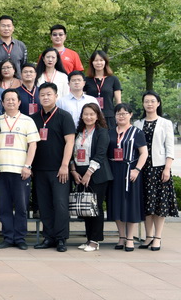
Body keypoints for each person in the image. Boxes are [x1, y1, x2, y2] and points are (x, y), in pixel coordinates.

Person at [31, 82, 76, 252]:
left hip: (59, 170)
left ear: (56, 96)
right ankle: (48, 237)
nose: (45, 97)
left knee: (60, 204)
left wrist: (65, 165)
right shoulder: (34, 118)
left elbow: (70, 142)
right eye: (42, 95)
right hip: (39, 169)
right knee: (44, 205)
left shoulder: (64, 116)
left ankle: (61, 238)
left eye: (49, 94)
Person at [134, 91, 178, 251]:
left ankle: (157, 237)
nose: (149, 104)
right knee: (146, 203)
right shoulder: (137, 123)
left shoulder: (165, 123)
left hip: (159, 168)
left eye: (153, 101)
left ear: (158, 103)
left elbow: (170, 148)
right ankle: (148, 236)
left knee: (159, 204)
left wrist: (167, 168)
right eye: (146, 101)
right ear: (143, 104)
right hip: (142, 168)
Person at [0, 89, 39, 250]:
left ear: (19, 102)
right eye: (7, 99)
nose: (10, 102)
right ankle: (8, 237)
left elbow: (33, 145)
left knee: (21, 206)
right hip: (1, 170)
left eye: (13, 99)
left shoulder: (28, 120)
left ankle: (20, 238)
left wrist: (27, 166)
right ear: (2, 103)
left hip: (21, 171)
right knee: (4, 206)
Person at [69, 103, 112, 252]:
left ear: (97, 116)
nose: (89, 117)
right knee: (86, 207)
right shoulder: (78, 132)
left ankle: (95, 241)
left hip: (97, 174)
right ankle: (88, 239)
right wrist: (73, 171)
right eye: (86, 114)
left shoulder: (102, 132)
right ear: (81, 116)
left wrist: (88, 173)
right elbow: (72, 152)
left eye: (92, 114)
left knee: (95, 207)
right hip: (79, 174)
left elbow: (100, 154)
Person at [107, 103, 148, 251]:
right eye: (118, 114)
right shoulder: (110, 132)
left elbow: (144, 153)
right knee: (116, 204)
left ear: (130, 115)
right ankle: (121, 236)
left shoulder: (137, 132)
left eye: (124, 113)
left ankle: (130, 238)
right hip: (114, 171)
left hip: (130, 172)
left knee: (130, 204)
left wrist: (137, 169)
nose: (121, 116)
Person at [84, 50, 123, 129]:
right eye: (96, 60)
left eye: (101, 60)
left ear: (105, 62)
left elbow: (118, 102)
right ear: (92, 62)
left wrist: (120, 116)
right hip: (91, 117)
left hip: (109, 116)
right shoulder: (86, 80)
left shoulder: (113, 79)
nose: (98, 63)